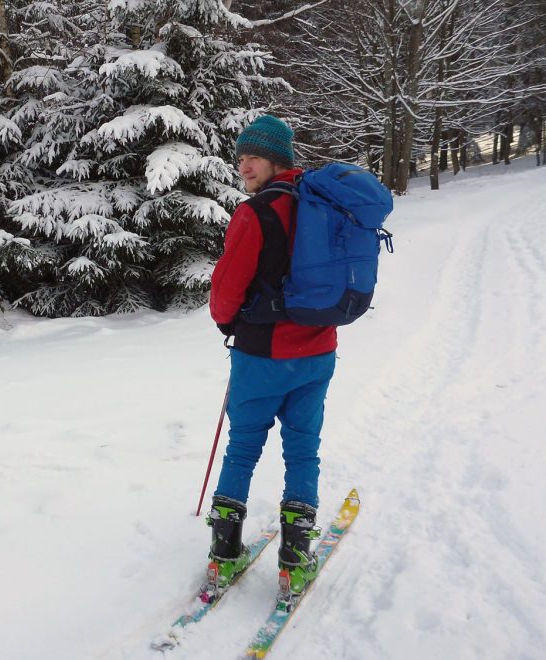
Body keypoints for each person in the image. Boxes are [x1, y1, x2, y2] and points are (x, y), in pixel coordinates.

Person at [206, 115, 337, 598]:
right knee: (303, 448)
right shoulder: (323, 205)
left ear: (276, 158)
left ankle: (224, 553)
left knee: (243, 448)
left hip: (261, 354)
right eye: (240, 157)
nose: (243, 165)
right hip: (319, 349)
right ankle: (296, 558)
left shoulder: (255, 212)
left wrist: (227, 323)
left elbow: (225, 289)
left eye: (252, 157)